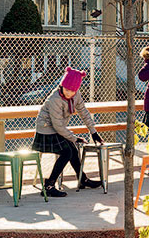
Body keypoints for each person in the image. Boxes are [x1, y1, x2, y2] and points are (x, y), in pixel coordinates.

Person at [32, 67, 103, 198]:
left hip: (57, 130)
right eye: (67, 89)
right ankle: (49, 186)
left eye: (72, 90)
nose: (69, 93)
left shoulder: (76, 95)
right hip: (46, 131)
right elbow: (58, 125)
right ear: (62, 86)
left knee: (73, 149)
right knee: (67, 152)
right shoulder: (55, 99)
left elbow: (84, 112)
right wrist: (74, 138)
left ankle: (82, 179)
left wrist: (93, 132)